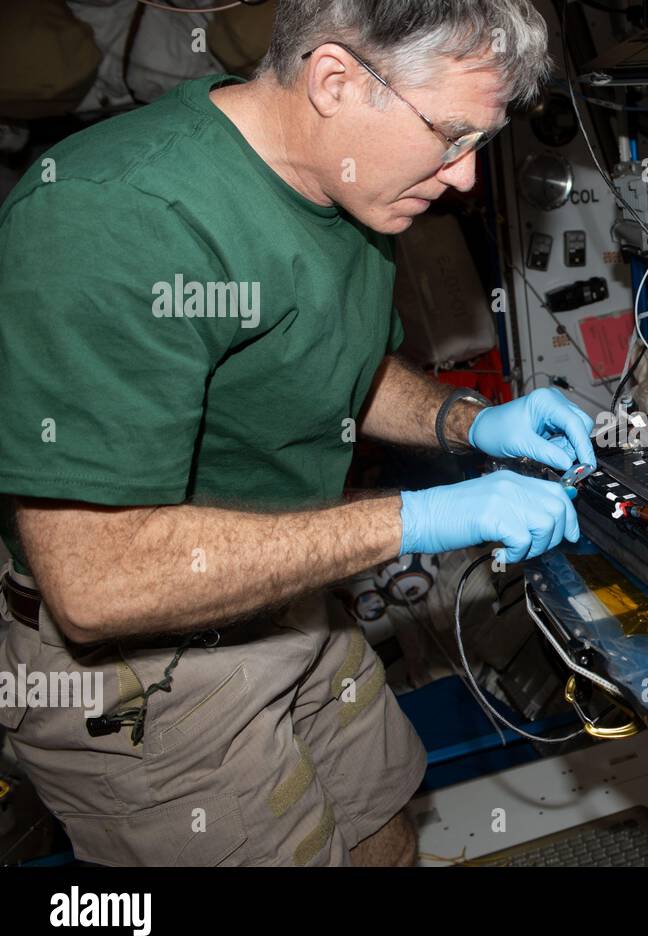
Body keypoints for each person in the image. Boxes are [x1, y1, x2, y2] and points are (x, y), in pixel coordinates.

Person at [0, 0, 591, 866]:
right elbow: (99, 584)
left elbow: (336, 359)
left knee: (383, 824)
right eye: (451, 136)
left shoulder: (339, 178)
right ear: (334, 80)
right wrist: (420, 520)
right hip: (147, 676)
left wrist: (473, 424)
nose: (465, 177)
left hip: (288, 598)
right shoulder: (113, 218)